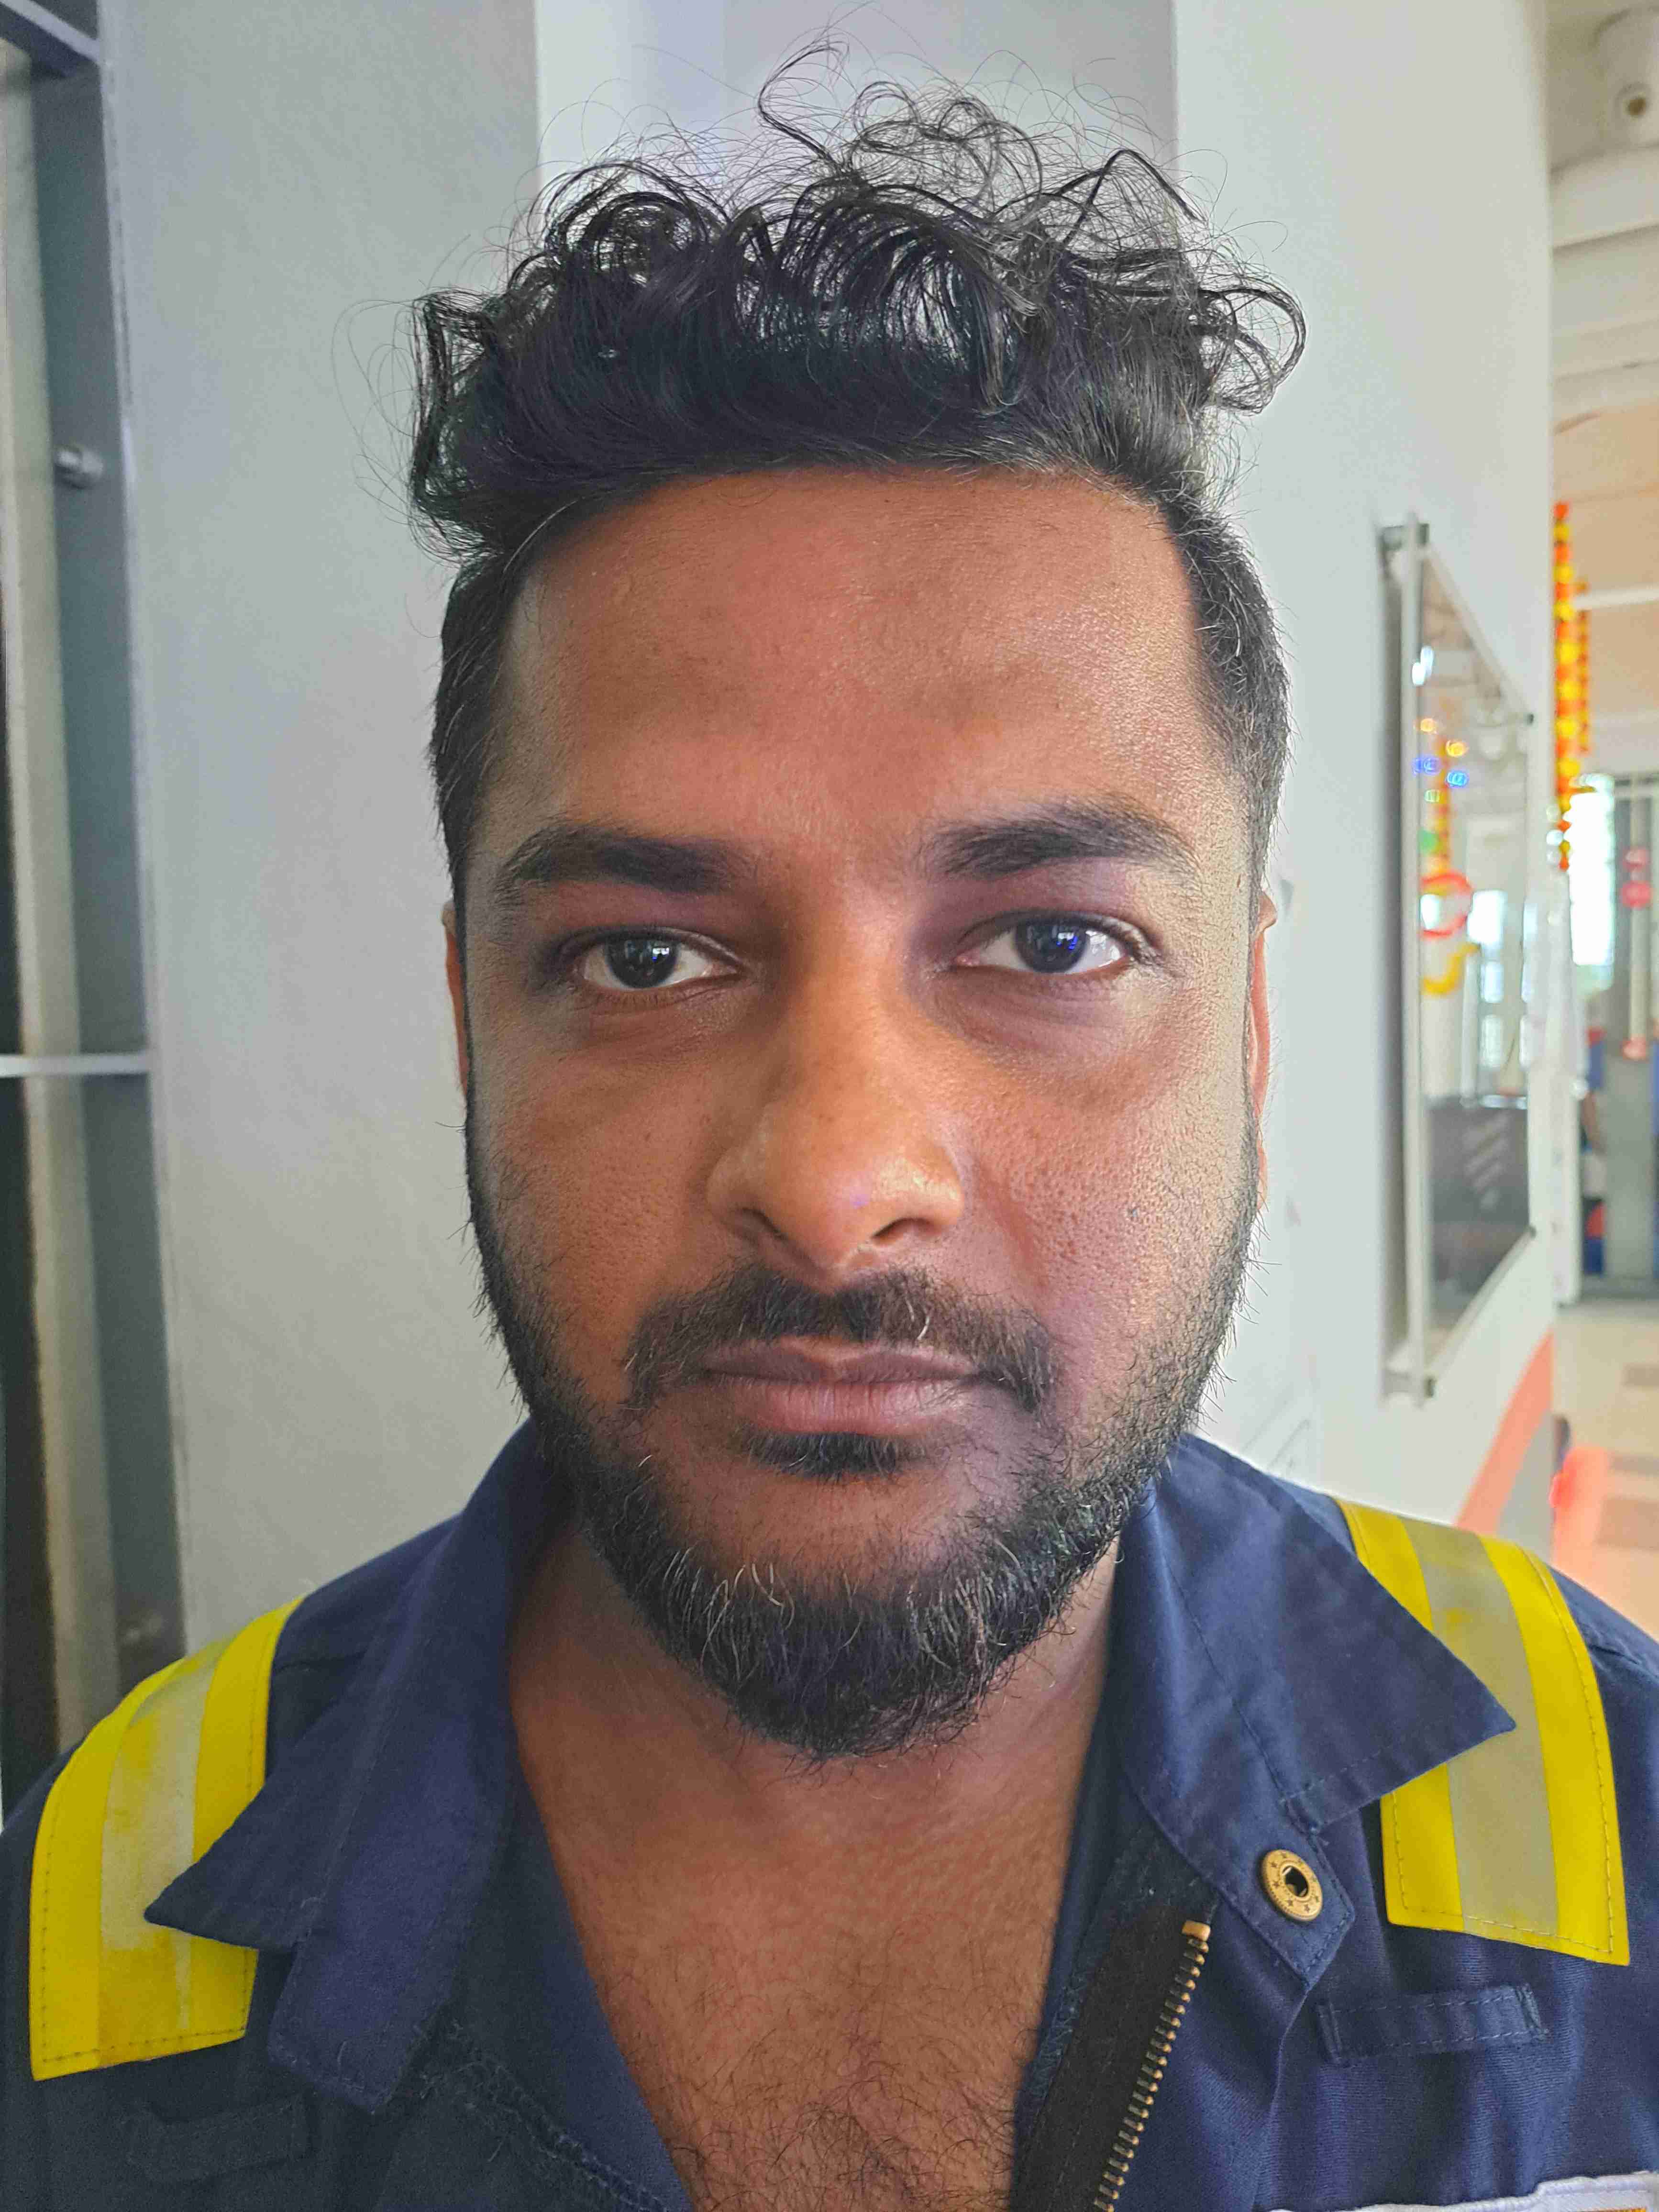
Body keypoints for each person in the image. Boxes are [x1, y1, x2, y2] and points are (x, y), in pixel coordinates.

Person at [5, 77, 1659, 2212]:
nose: (835, 1177)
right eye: (643, 959)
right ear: (471, 1024)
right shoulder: (81, 1942)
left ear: (1246, 1026)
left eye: (1050, 940)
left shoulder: (1621, 1828)